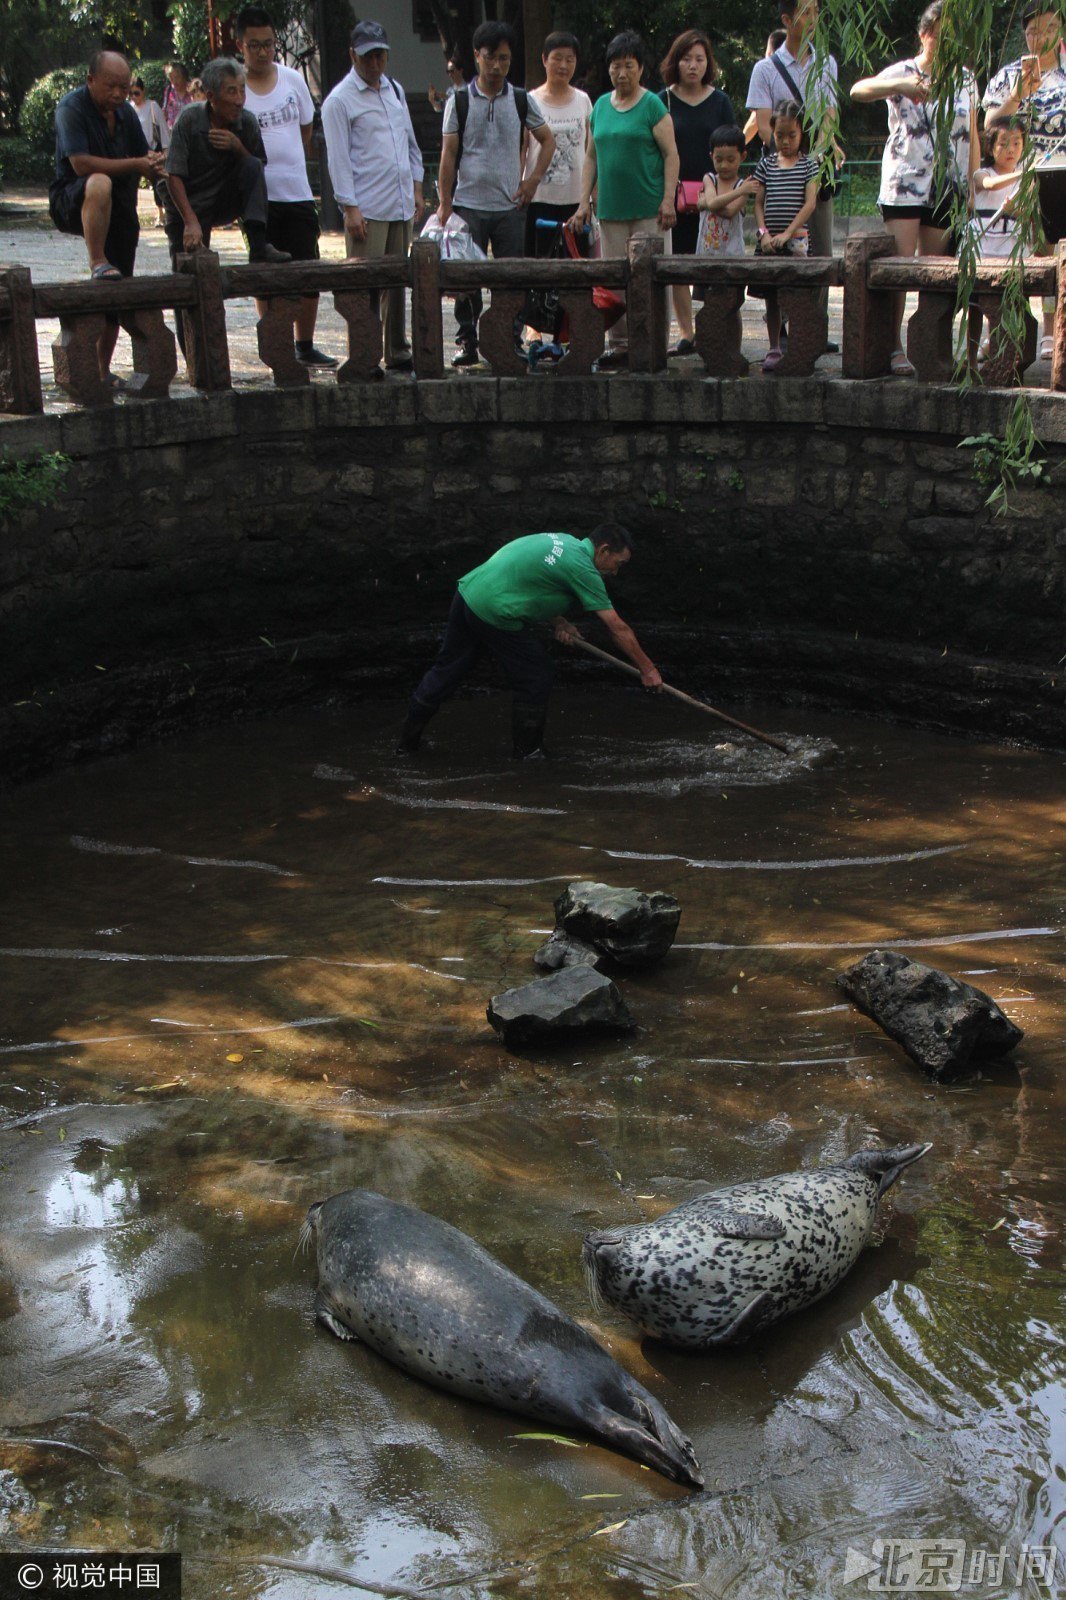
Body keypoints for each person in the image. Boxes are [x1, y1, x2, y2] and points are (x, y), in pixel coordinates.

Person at [397, 525, 662, 760]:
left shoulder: (564, 541)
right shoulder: (583, 567)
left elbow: (533, 583)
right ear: (604, 550)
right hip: (493, 610)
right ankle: (528, 753)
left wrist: (559, 622)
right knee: (537, 674)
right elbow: (617, 627)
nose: (615, 572)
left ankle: (406, 745)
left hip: (468, 594)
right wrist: (647, 670)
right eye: (619, 563)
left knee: (447, 670)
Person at [851, 0, 978, 375]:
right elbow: (858, 90)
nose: (946, 42)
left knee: (936, 273)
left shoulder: (967, 78)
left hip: (947, 184)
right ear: (925, 35)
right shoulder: (903, 72)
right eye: (940, 34)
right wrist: (899, 85)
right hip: (905, 182)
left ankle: (931, 345)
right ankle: (893, 347)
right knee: (902, 269)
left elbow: (972, 133)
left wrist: (972, 185)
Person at [436, 20, 555, 367]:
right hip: (468, 205)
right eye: (491, 58)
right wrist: (445, 202)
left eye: (504, 58)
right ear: (477, 57)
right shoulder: (458, 100)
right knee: (466, 280)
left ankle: (507, 337)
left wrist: (532, 181)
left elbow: (547, 140)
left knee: (510, 276)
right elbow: (448, 154)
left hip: (509, 206)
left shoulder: (520, 99)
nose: (497, 66)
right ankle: (467, 340)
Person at [49, 51, 164, 388]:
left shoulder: (126, 115)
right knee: (99, 181)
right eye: (111, 86)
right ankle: (96, 259)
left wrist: (155, 163)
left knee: (117, 287)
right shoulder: (71, 108)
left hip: (120, 208)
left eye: (124, 88)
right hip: (73, 196)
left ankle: (101, 370)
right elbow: (81, 165)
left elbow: (143, 157)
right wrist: (135, 165)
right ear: (90, 81)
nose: (118, 94)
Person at [568, 32, 679, 370]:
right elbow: (590, 157)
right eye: (616, 66)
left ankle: (654, 341)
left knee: (653, 278)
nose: (621, 73)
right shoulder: (599, 106)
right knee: (614, 281)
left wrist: (668, 199)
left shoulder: (652, 106)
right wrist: (584, 201)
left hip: (649, 209)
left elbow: (671, 154)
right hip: (611, 210)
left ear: (641, 69)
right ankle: (619, 344)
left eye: (628, 66)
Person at [322, 20, 425, 372]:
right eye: (368, 57)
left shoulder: (393, 90)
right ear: (353, 55)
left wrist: (417, 185)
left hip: (399, 203)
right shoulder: (340, 100)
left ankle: (397, 349)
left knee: (397, 284)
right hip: (368, 207)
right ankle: (365, 354)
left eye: (381, 56)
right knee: (366, 286)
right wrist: (349, 207)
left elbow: (409, 142)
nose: (375, 64)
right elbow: (338, 159)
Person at [237, 5, 336, 368]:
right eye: (254, 45)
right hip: (258, 198)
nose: (262, 52)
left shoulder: (293, 80)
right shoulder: (236, 87)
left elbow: (306, 129)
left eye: (268, 44)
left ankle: (304, 343)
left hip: (295, 190)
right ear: (241, 45)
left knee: (307, 266)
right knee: (265, 272)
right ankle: (273, 342)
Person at [746, 0, 842, 349]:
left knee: (819, 249)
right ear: (787, 19)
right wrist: (789, 153)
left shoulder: (826, 62)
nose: (814, 17)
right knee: (779, 249)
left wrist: (815, 157)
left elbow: (829, 114)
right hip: (779, 170)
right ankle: (781, 329)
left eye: (816, 9)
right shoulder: (765, 69)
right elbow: (762, 125)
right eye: (806, 11)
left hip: (814, 166)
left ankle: (814, 329)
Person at [984, 4, 1066, 360]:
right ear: (1025, 34)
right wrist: (1018, 91)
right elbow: (989, 125)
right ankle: (1000, 331)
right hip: (1020, 175)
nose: (1042, 37)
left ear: (1060, 32)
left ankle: (1052, 332)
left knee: (1055, 253)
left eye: (1050, 29)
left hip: (1061, 173)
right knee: (1012, 252)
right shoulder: (1008, 75)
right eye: (1035, 30)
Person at [163, 56, 292, 266]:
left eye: (242, 90)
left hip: (223, 197)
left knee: (252, 164)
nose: (239, 99)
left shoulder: (247, 122)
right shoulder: (188, 120)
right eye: (231, 91)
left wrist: (238, 147)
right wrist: (189, 220)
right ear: (212, 96)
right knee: (190, 270)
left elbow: (257, 168)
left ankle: (259, 245)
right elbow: (172, 174)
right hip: (189, 200)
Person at [657, 29, 736, 356]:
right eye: (686, 58)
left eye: (699, 59)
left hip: (710, 196)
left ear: (708, 63)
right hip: (672, 195)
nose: (692, 65)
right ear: (676, 61)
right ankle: (687, 332)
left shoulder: (720, 101)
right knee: (676, 263)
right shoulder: (662, 100)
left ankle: (713, 331)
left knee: (710, 261)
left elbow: (732, 145)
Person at [753, 100, 819, 371]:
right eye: (780, 135)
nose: (785, 141)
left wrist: (789, 233)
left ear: (801, 132)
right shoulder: (766, 164)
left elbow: (810, 203)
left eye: (791, 135)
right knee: (771, 297)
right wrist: (764, 234)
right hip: (770, 243)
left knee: (797, 294)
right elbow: (757, 203)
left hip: (797, 240)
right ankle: (774, 346)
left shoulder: (808, 165)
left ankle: (799, 344)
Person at [966, 122, 1031, 366]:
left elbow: (1024, 210)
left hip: (1010, 247)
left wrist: (1016, 202)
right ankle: (971, 358)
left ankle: (1003, 358)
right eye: (1003, 144)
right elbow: (990, 186)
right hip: (981, 248)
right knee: (974, 305)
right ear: (991, 148)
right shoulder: (982, 174)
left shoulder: (1027, 180)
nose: (1010, 149)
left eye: (1016, 143)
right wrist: (1023, 173)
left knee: (1007, 304)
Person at [525, 32, 591, 252]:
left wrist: (591, 198)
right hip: (539, 197)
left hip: (576, 199)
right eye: (557, 58)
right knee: (540, 266)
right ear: (545, 59)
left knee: (577, 269)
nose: (563, 65)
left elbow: (591, 151)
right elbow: (522, 147)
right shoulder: (531, 100)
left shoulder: (583, 101)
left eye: (570, 59)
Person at [697, 124, 758, 259]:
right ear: (711, 156)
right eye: (719, 160)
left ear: (742, 157)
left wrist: (704, 203)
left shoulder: (742, 186)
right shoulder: (710, 179)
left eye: (730, 160)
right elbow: (713, 203)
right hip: (705, 255)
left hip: (733, 257)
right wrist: (739, 192)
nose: (724, 165)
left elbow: (730, 212)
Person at [130, 75, 169, 226]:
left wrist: (166, 150)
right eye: (131, 93)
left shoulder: (153, 106)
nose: (134, 97)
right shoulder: (129, 108)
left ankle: (162, 213)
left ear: (143, 91)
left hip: (152, 149)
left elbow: (163, 128)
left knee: (158, 182)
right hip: (135, 152)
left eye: (137, 93)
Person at [743, 31, 788, 148]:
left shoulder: (767, 73)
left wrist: (737, 148)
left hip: (779, 151)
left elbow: (755, 122)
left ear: (769, 53)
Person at [163, 62, 193, 129]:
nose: (174, 81)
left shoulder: (192, 90)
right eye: (171, 78)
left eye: (177, 77)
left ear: (184, 77)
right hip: (173, 133)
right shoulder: (169, 91)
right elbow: (164, 111)